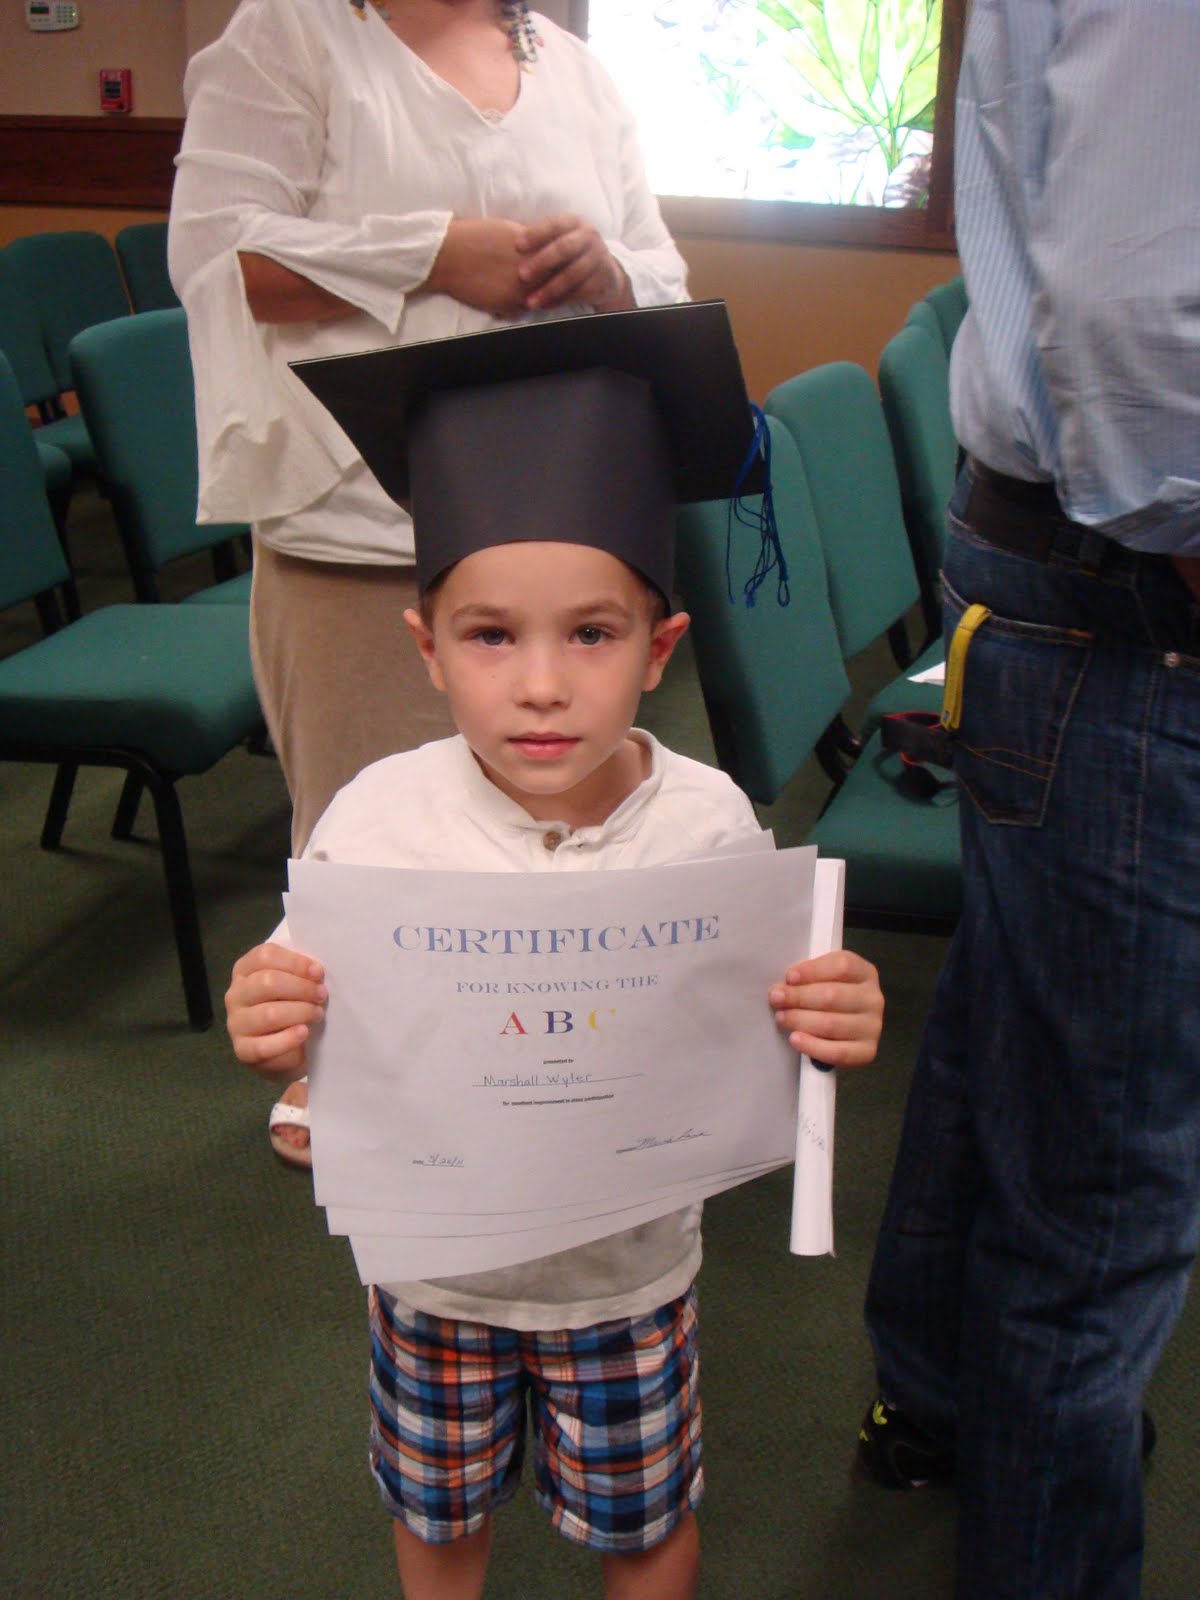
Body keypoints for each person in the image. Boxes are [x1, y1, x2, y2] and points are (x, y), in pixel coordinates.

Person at [225, 305, 885, 1598]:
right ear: (426, 647)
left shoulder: (706, 824)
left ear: (659, 650)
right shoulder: (374, 823)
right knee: (435, 1513)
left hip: (625, 1283)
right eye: (490, 636)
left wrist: (833, 1014)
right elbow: (310, 1048)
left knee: (644, 1529)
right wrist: (276, 1035)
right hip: (434, 1281)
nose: (540, 685)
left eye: (591, 633)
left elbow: (764, 1031)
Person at [168, 0, 690, 1166]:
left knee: (540, 821)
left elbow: (661, 266)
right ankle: (355, 1079)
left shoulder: (575, 70)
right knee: (372, 838)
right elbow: (220, 256)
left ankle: (534, 1071)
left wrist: (608, 273)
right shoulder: (292, 36)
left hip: (547, 518)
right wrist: (435, 254)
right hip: (358, 526)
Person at [857, 3, 1200, 1595]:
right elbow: (1143, 322)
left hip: (1077, 564)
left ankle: (934, 1391)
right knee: (1109, 1194)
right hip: (1140, 580)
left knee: (1021, 1025)